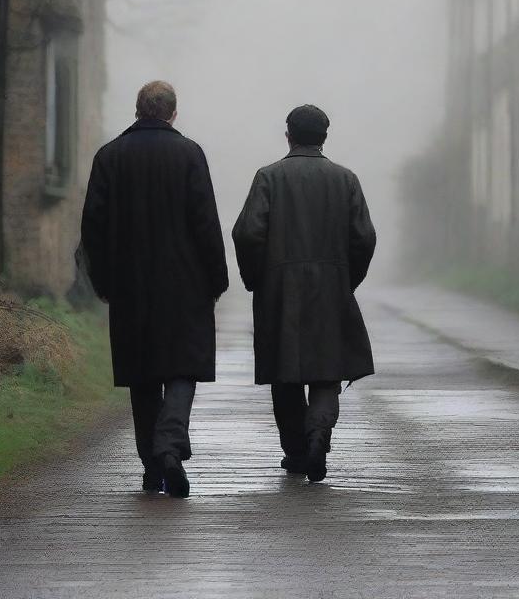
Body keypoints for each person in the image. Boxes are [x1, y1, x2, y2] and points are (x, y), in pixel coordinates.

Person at [80, 80, 228, 498]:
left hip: (129, 284)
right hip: (185, 283)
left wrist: (103, 280)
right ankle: (168, 445)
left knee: (142, 376)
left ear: (137, 110)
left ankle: (152, 467)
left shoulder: (109, 156)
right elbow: (205, 222)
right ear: (173, 113)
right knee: (182, 369)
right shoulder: (189, 154)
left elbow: (92, 224)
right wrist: (216, 278)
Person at [232, 104, 376, 483]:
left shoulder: (269, 178)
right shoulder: (345, 180)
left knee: (286, 374)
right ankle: (319, 434)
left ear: (288, 135)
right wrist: (347, 278)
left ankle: (296, 452)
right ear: (324, 137)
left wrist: (257, 278)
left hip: (280, 290)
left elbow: (247, 233)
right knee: (328, 372)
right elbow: (364, 237)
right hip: (332, 287)